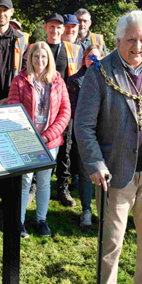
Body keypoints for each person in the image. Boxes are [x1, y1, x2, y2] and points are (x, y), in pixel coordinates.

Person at [75, 10, 142, 284]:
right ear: (118, 40)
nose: (138, 46)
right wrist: (94, 163)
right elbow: (83, 125)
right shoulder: (100, 72)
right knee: (112, 239)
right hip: (114, 171)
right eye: (131, 39)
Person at [9, 42, 70, 238]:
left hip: (49, 142)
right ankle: (18, 222)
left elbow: (65, 112)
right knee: (25, 181)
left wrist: (47, 136)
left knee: (44, 182)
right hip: (26, 140)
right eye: (36, 56)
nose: (40, 60)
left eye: (44, 57)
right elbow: (13, 110)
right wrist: (29, 137)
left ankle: (41, 220)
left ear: (49, 59)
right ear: (30, 58)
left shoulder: (58, 82)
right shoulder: (19, 81)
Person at [44, 13, 81, 207]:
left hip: (64, 107)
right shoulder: (39, 48)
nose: (56, 30)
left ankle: (62, 189)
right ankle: (35, 186)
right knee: (39, 146)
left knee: (65, 149)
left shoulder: (72, 50)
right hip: (41, 107)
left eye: (59, 27)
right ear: (46, 28)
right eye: (52, 27)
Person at [67, 44, 105, 227]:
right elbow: (72, 107)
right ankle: (86, 210)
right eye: (90, 57)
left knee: (105, 173)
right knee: (85, 172)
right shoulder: (75, 80)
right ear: (84, 59)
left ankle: (104, 210)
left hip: (105, 132)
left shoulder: (110, 78)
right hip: (86, 132)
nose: (93, 60)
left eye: (97, 56)